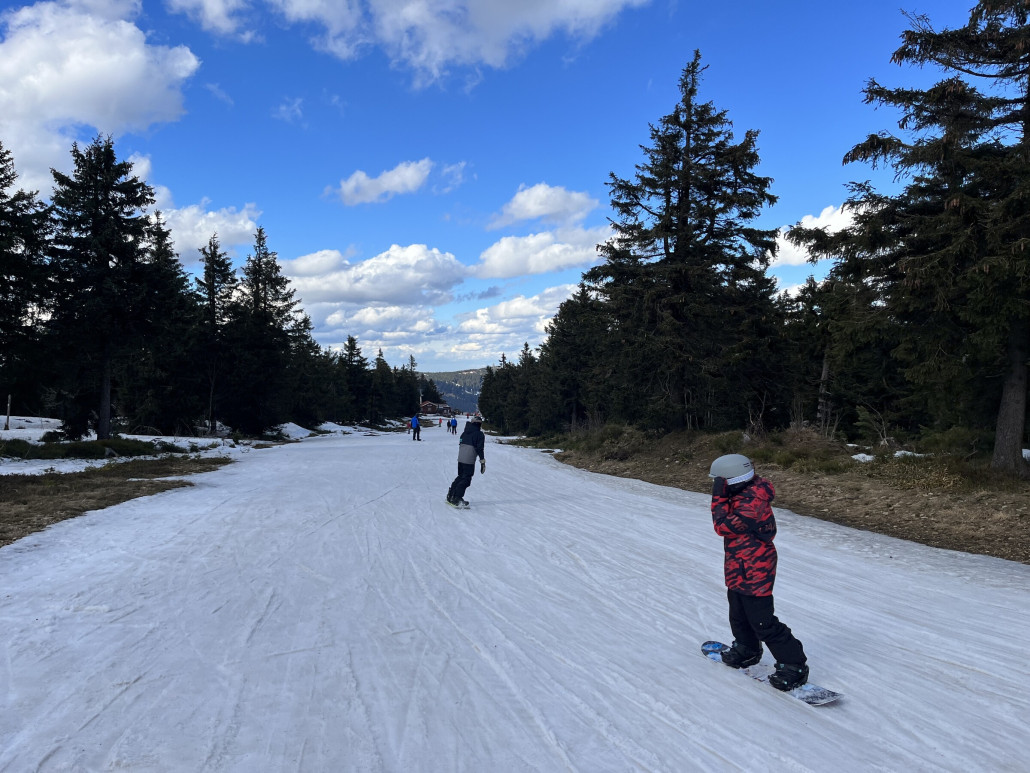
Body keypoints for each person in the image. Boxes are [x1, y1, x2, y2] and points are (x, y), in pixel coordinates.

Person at [709, 453, 809, 691]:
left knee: (763, 622)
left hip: (756, 568)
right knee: (739, 613)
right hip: (739, 565)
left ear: (731, 481)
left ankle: (794, 664)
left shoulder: (751, 501)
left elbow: (722, 526)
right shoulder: (743, 493)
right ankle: (748, 648)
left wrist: (718, 497)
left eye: (720, 481)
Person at [446, 414, 485, 508]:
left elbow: (460, 442)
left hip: (461, 458)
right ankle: (457, 498)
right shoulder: (479, 434)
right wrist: (482, 461)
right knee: (466, 479)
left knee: (460, 476)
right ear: (479, 424)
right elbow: (480, 448)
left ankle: (450, 495)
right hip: (469, 459)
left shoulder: (464, 432)